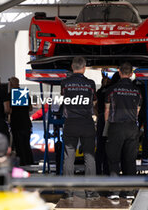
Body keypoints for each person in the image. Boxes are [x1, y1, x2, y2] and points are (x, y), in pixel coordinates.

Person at [60, 57, 98, 200]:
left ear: (72, 66)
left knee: (69, 158)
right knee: (89, 157)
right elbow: (94, 102)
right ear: (84, 68)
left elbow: (64, 99)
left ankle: (68, 192)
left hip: (70, 123)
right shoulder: (90, 83)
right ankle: (90, 192)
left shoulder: (64, 83)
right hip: (87, 123)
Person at [105, 62, 142, 200]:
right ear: (131, 74)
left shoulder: (112, 90)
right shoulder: (137, 91)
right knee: (130, 160)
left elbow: (107, 111)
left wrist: (107, 128)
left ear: (119, 72)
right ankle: (129, 192)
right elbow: (137, 111)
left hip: (116, 127)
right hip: (132, 127)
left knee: (114, 160)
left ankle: (114, 192)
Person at [9, 77, 33, 166]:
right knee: (26, 145)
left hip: (16, 124)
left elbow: (8, 110)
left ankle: (22, 164)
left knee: (19, 146)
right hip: (26, 123)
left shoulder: (10, 95)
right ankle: (30, 162)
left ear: (11, 84)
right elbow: (30, 108)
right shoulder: (25, 93)